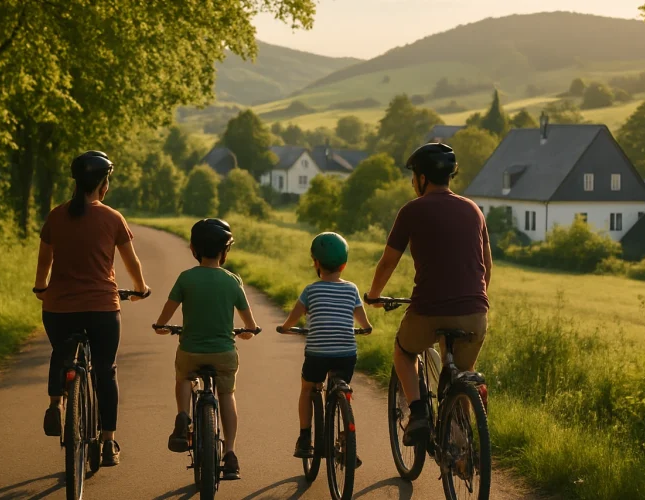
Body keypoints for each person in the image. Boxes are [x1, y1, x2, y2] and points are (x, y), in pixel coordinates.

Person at [365, 142, 492, 446]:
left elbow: (388, 262)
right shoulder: (473, 209)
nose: (413, 183)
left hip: (429, 310)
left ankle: (419, 413)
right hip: (475, 313)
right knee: (463, 371)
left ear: (422, 178)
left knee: (404, 351)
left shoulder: (412, 210)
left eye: (414, 177)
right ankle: (461, 446)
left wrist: (374, 294)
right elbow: (487, 265)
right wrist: (475, 297)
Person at [34, 150, 150, 467]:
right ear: (103, 184)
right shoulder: (112, 218)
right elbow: (131, 261)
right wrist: (141, 288)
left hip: (59, 308)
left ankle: (56, 403)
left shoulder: (56, 216)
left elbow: (44, 261)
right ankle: (109, 442)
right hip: (101, 308)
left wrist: (41, 288)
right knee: (105, 370)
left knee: (61, 351)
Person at [154, 218, 259, 481]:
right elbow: (250, 323)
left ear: (194, 248)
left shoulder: (186, 278)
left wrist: (161, 325)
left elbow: (167, 312)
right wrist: (249, 331)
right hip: (223, 353)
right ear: (225, 251)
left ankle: (182, 416)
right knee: (227, 393)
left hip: (191, 351)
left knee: (183, 377)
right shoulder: (232, 281)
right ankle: (230, 453)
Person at [280, 232, 372, 462]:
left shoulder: (311, 290)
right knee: (343, 388)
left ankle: (304, 438)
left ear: (316, 263)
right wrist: (366, 327)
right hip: (346, 354)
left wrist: (285, 327)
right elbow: (362, 318)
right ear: (344, 265)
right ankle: (347, 440)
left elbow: (295, 315)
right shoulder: (351, 289)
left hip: (317, 355)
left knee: (307, 388)